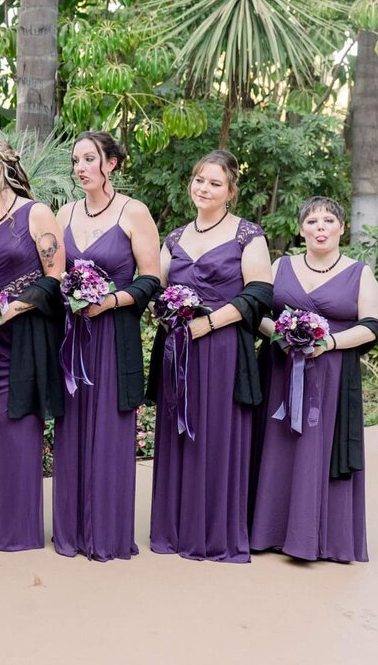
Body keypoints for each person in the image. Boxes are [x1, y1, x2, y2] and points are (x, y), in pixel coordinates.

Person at [149, 150, 272, 563]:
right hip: (178, 351)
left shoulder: (248, 235)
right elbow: (156, 288)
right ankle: (174, 530)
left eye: (215, 183)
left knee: (217, 436)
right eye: (200, 179)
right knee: (179, 434)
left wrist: (209, 324)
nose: (204, 188)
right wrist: (164, 314)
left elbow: (259, 293)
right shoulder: (175, 237)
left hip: (222, 349)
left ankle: (214, 534)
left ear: (231, 191)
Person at [250, 196, 378, 563]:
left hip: (332, 376)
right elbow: (257, 313)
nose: (320, 227)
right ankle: (267, 531)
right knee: (278, 446)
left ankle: (317, 537)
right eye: (311, 221)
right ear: (300, 228)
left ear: (342, 228)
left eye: (328, 221)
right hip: (280, 371)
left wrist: (328, 343)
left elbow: (371, 327)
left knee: (317, 450)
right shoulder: (280, 266)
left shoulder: (360, 272)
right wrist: (283, 334)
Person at [53, 132, 160, 561]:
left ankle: (107, 533)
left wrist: (110, 300)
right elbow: (53, 272)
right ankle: (71, 532)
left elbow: (151, 279)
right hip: (72, 338)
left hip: (114, 339)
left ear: (110, 163)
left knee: (110, 433)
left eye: (89, 159)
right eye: (76, 160)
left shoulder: (134, 212)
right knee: (72, 429)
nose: (80, 167)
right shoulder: (64, 213)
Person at [0, 141, 66, 551]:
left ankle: (17, 530)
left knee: (19, 430)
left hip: (23, 338)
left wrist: (11, 309)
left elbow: (55, 275)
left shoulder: (35, 213)